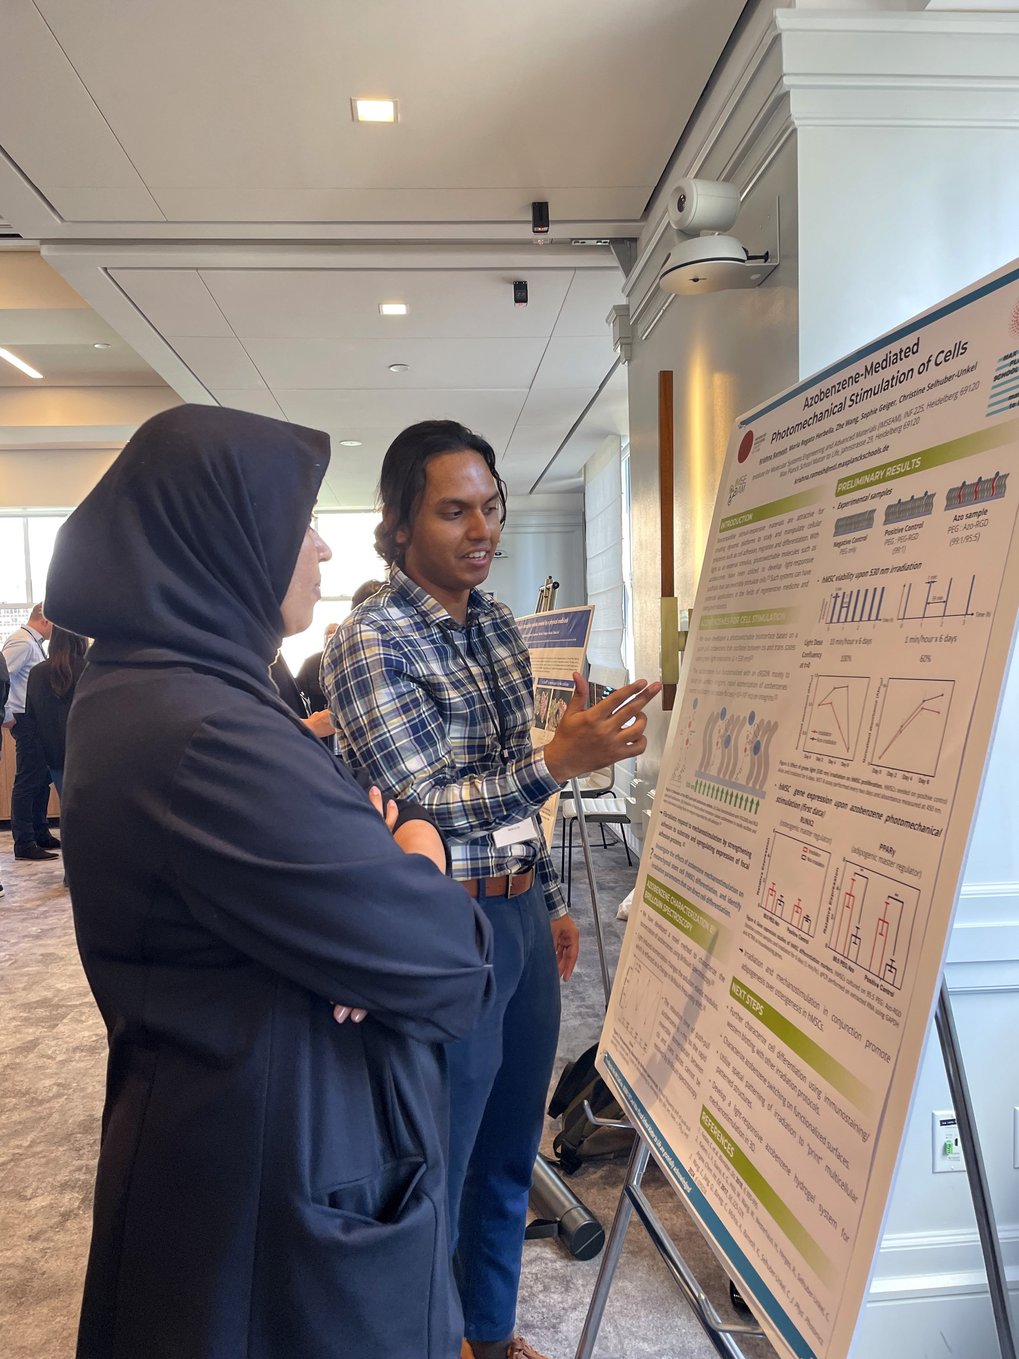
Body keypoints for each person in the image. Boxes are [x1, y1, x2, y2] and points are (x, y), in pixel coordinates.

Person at [45, 404, 495, 1359]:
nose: (324, 548)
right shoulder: (206, 731)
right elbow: (446, 959)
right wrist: (416, 849)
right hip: (270, 1181)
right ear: (226, 536)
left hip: (228, 1136)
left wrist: (358, 911)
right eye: (298, 524)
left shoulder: (157, 687)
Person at [323, 419, 661, 1359]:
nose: (481, 528)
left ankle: (490, 1329)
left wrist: (549, 896)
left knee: (510, 1140)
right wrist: (556, 761)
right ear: (397, 525)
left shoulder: (500, 626)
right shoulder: (370, 641)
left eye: (490, 506)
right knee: (444, 1150)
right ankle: (427, 1337)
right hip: (441, 921)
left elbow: (519, 788)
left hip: (514, 912)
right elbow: (423, 800)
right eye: (452, 510)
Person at [2, 603, 59, 860]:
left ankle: (40, 832)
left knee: (41, 778)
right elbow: (3, 677)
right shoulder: (22, 642)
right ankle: (24, 842)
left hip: (36, 718)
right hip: (24, 720)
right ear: (45, 619)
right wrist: (8, 716)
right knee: (27, 781)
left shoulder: (32, 643)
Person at [24, 626, 88, 798]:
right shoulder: (91, 670)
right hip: (89, 756)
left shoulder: (37, 673)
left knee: (67, 808)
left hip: (54, 756)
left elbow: (31, 719)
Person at [294, 621, 339, 713]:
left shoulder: (351, 659)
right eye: (328, 634)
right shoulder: (310, 663)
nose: (330, 638)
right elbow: (299, 691)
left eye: (335, 634)